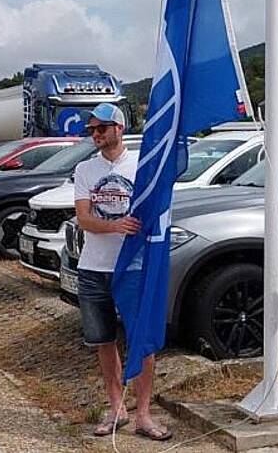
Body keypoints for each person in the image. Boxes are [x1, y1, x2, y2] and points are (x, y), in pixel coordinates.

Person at [74, 103, 172, 441]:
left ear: (118, 127)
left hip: (133, 266)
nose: (96, 135)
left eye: (101, 128)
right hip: (93, 266)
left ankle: (144, 412)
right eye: (91, 130)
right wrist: (114, 226)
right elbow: (83, 218)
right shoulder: (85, 169)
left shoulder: (141, 166)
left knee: (141, 340)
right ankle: (116, 407)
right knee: (103, 340)